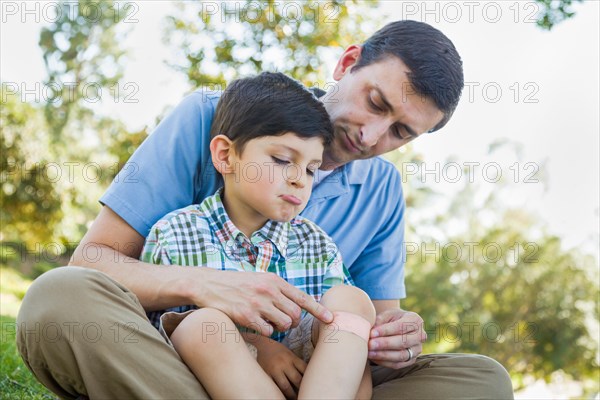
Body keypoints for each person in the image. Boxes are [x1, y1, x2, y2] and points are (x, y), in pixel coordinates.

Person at [17, 20, 514, 399]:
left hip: (310, 379)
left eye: (401, 132)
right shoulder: (213, 118)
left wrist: (398, 338)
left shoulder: (381, 188)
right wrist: (203, 286)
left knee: (482, 381)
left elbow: (370, 327)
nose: (371, 136)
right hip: (181, 361)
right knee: (59, 301)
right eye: (376, 102)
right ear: (347, 64)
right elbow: (93, 261)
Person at [142, 72, 375, 399]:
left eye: (311, 169)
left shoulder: (316, 244)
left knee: (353, 302)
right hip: (208, 377)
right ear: (225, 155)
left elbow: (345, 342)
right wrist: (253, 345)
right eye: (282, 160)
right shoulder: (175, 233)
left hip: (309, 380)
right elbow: (153, 337)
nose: (299, 180)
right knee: (202, 326)